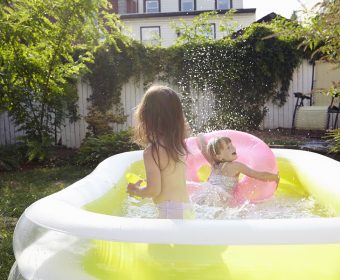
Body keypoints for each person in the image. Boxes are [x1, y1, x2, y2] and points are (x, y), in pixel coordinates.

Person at [126, 85, 194, 219]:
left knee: (158, 240)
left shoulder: (152, 152)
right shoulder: (178, 146)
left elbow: (154, 190)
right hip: (186, 208)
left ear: (145, 118)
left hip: (169, 211)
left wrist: (136, 191)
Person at [194, 134, 280, 206]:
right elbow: (257, 175)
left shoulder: (214, 164)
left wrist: (200, 137)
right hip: (220, 199)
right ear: (219, 156)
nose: (233, 148)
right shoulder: (236, 166)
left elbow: (203, 149)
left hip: (205, 193)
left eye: (232, 145)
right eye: (228, 148)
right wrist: (275, 177)